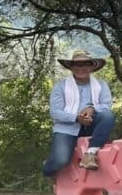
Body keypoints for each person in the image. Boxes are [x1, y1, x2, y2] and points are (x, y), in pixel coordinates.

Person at [43, 50, 116, 178]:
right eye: (77, 65)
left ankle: (90, 153)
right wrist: (76, 118)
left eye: (85, 64)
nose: (81, 68)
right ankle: (48, 168)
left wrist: (92, 108)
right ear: (71, 67)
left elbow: (106, 105)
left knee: (108, 115)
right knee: (60, 160)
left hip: (91, 124)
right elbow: (55, 112)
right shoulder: (61, 86)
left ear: (92, 67)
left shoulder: (101, 85)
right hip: (67, 128)